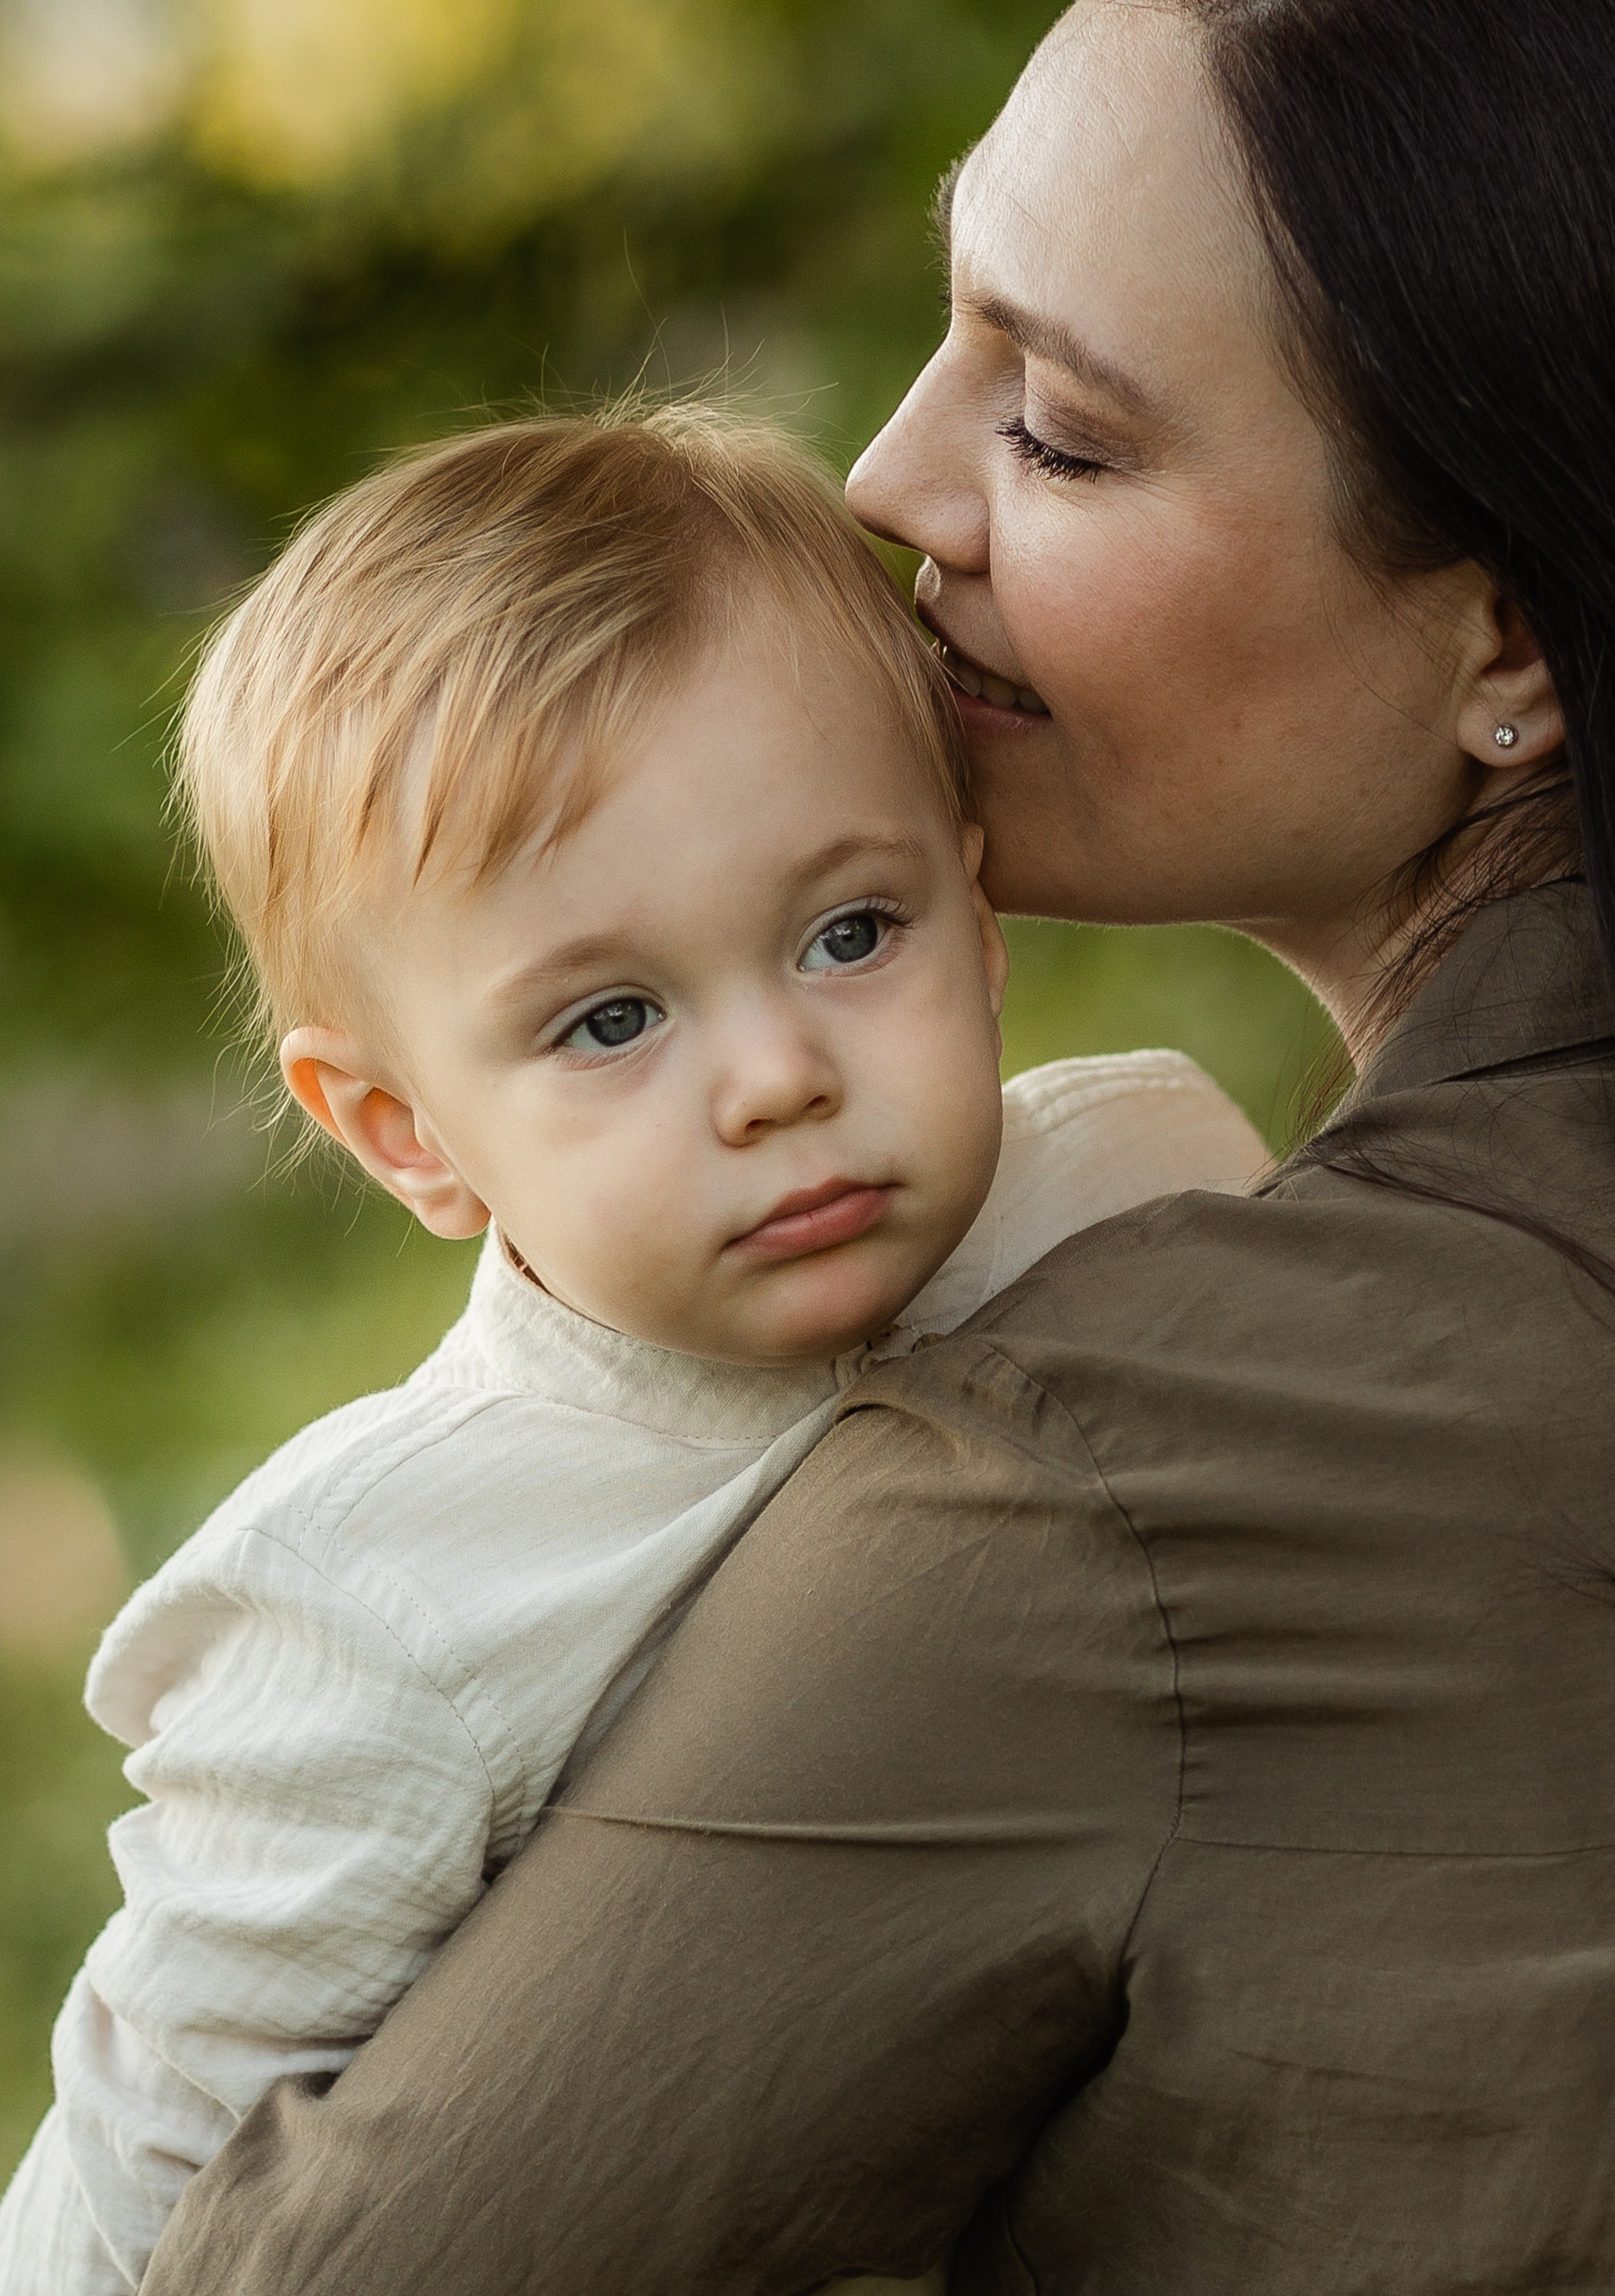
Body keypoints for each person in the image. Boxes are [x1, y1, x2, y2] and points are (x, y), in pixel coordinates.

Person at [136, 0, 1615, 2287]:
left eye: (1061, 430)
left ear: (1509, 642)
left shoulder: (1119, 1470)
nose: (892, 485)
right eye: (951, 338)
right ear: (390, 1122)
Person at [0, 409, 1261, 2294]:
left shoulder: (1144, 1185)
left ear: (982, 919)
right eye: (610, 1021)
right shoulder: (389, 1588)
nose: (776, 1077)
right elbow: (151, 2145)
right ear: (407, 1132)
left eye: (852, 932)